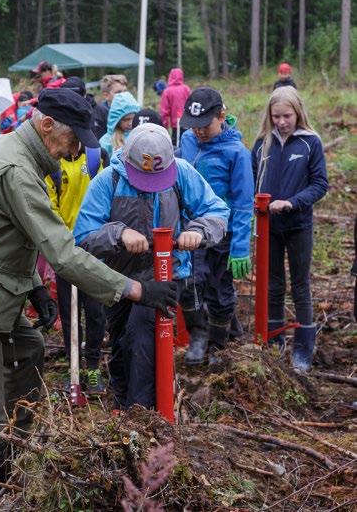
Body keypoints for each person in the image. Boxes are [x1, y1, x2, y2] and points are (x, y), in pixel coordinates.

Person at [0, 88, 180, 486]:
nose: (76, 150)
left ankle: (5, 464)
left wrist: (33, 286)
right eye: (74, 139)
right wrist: (136, 290)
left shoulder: (12, 149)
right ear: (47, 126)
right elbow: (63, 253)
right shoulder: (17, 170)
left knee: (29, 348)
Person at [74, 123, 229, 410]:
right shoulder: (108, 181)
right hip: (120, 280)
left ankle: (144, 417)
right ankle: (123, 409)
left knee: (142, 339)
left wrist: (199, 231)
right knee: (122, 345)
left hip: (165, 276)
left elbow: (217, 211)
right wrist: (118, 233)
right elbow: (82, 236)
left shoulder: (182, 173)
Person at [252, 86, 328, 372]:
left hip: (298, 225)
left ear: (298, 113)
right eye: (276, 117)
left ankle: (303, 347)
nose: (282, 122)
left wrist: (293, 203)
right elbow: (251, 180)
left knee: (300, 285)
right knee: (272, 284)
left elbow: (320, 184)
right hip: (268, 226)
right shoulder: (262, 144)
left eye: (287, 116)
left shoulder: (310, 143)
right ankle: (274, 340)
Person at [177, 87, 254, 364]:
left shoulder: (237, 153)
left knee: (219, 289)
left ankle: (218, 342)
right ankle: (198, 333)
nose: (198, 131)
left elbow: (244, 203)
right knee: (189, 282)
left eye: (204, 126)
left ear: (221, 116)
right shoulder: (186, 141)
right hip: (190, 228)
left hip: (223, 231)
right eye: (193, 126)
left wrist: (240, 247)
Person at [45, 87, 107, 395]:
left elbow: (105, 197)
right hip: (64, 247)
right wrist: (62, 240)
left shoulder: (96, 158)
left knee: (95, 311)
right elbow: (48, 205)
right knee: (69, 313)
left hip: (94, 247)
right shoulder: (51, 164)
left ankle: (93, 366)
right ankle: (74, 365)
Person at [99, 91, 140, 158]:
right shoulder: (106, 141)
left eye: (134, 118)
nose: (130, 123)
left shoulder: (139, 135)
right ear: (117, 120)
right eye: (126, 119)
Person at [159, 68, 191, 145]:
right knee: (188, 142)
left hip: (176, 124)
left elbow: (164, 111)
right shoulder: (186, 89)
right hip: (188, 122)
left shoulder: (167, 91)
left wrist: (164, 125)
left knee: (176, 144)